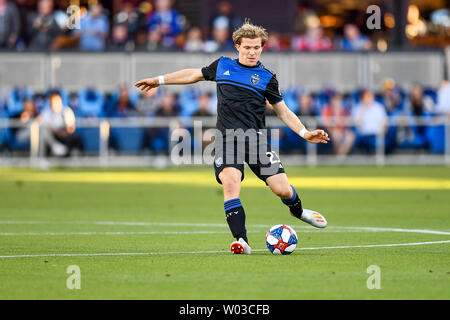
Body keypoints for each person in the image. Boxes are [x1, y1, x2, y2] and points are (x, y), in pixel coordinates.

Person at [134, 21, 330, 255]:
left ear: (262, 48)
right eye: (247, 47)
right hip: (227, 140)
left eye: (256, 48)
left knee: (282, 190)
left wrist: (304, 132)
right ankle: (241, 240)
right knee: (230, 183)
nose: (252, 52)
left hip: (255, 141)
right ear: (237, 46)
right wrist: (159, 80)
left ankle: (298, 212)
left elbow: (283, 111)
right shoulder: (222, 66)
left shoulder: (267, 77)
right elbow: (192, 74)